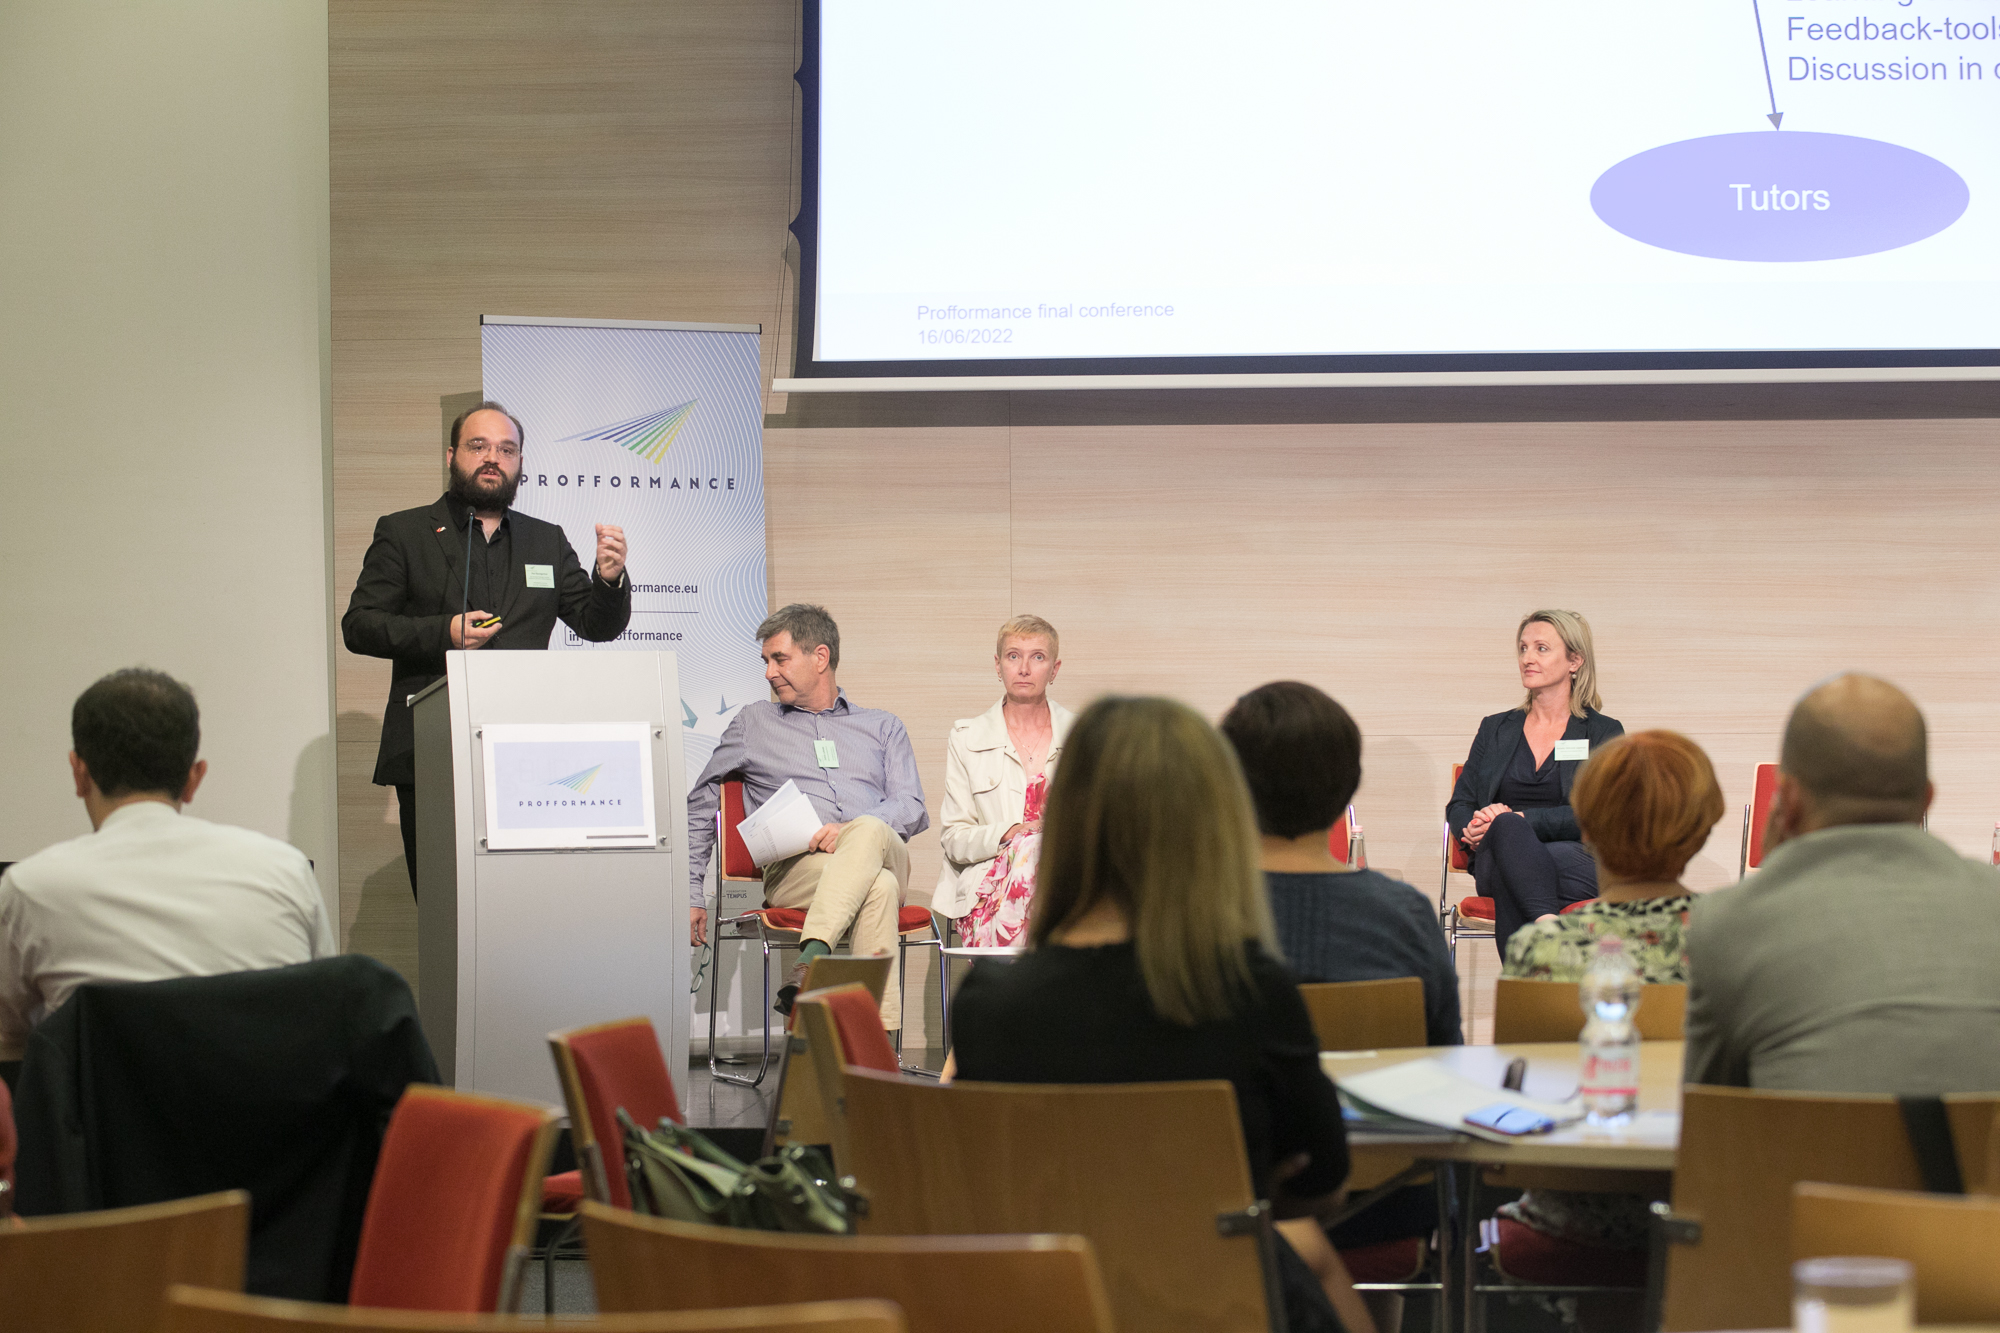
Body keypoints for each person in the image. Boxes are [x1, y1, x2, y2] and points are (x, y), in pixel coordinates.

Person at [950, 696, 1364, 1333]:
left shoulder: (987, 1007)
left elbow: (984, 1186)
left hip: (1050, 1304)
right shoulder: (1250, 992)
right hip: (1222, 1304)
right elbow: (1323, 1181)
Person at [341, 401, 633, 898]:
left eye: (506, 449)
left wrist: (609, 579)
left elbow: (595, 625)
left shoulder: (545, 540)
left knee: (524, 900)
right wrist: (445, 632)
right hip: (434, 749)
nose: (492, 457)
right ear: (451, 455)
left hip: (527, 755)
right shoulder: (405, 532)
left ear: (519, 463)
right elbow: (360, 625)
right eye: (478, 446)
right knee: (445, 900)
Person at [0, 669, 337, 1069]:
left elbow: (9, 1037)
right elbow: (325, 1015)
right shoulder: (287, 872)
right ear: (194, 778)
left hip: (100, 1111)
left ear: (79, 772)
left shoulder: (31, 889)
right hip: (268, 1108)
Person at [1492, 730, 1725, 1305]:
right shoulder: (1740, 941)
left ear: (1586, 829)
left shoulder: (1540, 950)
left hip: (1568, 1211)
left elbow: (1514, 1100)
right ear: (1701, 830)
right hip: (1711, 1202)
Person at [1684, 674, 2000, 1092]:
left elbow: (1708, 1110)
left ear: (1786, 799)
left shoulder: (1726, 924)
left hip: (1804, 1138)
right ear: (1926, 799)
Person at [686, 604, 929, 1028]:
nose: (769, 672)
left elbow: (912, 805)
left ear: (820, 657)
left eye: (779, 659)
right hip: (797, 870)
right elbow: (703, 802)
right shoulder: (753, 724)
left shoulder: (882, 726)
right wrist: (692, 890)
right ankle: (876, 1044)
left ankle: (811, 960)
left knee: (869, 829)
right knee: (881, 888)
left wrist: (850, 831)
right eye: (765, 661)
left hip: (881, 850)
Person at [1220, 680, 1460, 1046]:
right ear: (1351, 784)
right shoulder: (1405, 917)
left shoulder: (1180, 922)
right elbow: (1445, 1052)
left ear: (1228, 786)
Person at [1447, 610, 1624, 954]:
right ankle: (1548, 930)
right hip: (1494, 856)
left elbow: (1601, 813)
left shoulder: (1603, 732)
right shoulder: (1495, 728)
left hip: (1574, 859)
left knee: (1511, 861)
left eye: (1541, 648)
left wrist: (1519, 821)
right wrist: (1473, 827)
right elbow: (1461, 802)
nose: (1527, 658)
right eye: (1523, 648)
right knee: (1508, 843)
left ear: (1575, 661)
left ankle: (1528, 971)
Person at [933, 615, 1074, 948]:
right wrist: (1011, 834)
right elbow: (954, 838)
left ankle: (1021, 976)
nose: (1024, 668)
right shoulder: (967, 738)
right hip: (991, 893)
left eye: (1037, 657)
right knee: (1031, 848)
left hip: (1067, 887)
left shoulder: (1082, 736)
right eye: (1013, 656)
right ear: (998, 666)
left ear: (1054, 669)